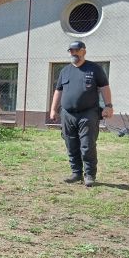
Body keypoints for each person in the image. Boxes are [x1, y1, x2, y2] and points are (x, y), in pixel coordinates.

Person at [49, 41, 113, 188]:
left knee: (87, 145)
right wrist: (53, 109)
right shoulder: (65, 71)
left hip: (88, 113)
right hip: (67, 114)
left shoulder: (94, 69)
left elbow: (104, 87)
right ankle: (76, 173)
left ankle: (89, 175)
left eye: (76, 50)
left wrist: (108, 106)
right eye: (71, 51)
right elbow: (58, 91)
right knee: (71, 144)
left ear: (84, 51)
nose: (73, 53)